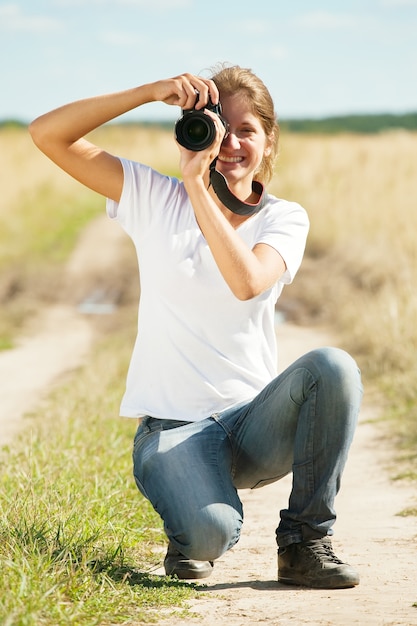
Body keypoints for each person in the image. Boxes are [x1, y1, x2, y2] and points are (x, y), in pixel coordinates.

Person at [29, 63, 363, 589]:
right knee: (209, 537)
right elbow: (45, 133)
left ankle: (304, 542)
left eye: (246, 131)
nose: (229, 144)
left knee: (334, 367)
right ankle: (190, 526)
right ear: (191, 130)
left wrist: (200, 189)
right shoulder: (153, 196)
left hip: (253, 427)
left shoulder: (284, 217)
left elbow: (247, 282)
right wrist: (148, 92)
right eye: (217, 127)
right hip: (173, 429)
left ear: (270, 142)